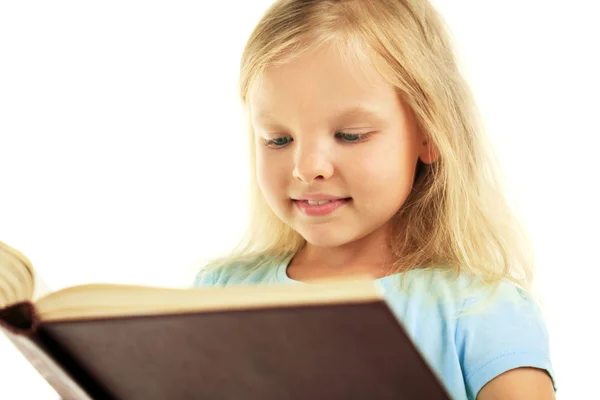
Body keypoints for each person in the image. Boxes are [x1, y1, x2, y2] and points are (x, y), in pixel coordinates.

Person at [193, 0, 556, 398]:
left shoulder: (483, 311)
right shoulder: (220, 293)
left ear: (429, 134)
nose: (306, 167)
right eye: (278, 140)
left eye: (350, 135)